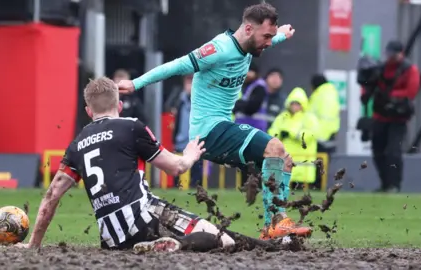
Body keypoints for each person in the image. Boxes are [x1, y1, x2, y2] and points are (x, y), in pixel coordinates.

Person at [16, 77, 293, 252]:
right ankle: (177, 245)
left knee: (216, 233)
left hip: (112, 238)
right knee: (222, 240)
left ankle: (273, 246)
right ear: (120, 104)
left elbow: (51, 196)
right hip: (143, 214)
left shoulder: (76, 144)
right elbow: (176, 168)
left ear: (88, 111)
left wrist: (34, 244)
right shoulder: (131, 127)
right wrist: (192, 153)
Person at [118, 3, 312, 240]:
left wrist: (282, 34)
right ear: (249, 29)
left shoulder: (250, 44)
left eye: (272, 37)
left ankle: (275, 227)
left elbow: (266, 39)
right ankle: (275, 224)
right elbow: (177, 66)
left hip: (220, 128)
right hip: (208, 132)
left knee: (284, 162)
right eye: (267, 36)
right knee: (275, 147)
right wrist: (135, 83)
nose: (269, 42)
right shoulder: (218, 49)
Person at [361, 40, 420, 193]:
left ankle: (394, 185)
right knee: (378, 151)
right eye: (389, 54)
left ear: (401, 54)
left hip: (398, 119)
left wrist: (391, 97)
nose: (391, 57)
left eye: (394, 54)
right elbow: (369, 85)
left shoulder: (410, 70)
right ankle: (385, 184)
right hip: (380, 116)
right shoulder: (381, 68)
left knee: (393, 152)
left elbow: (411, 92)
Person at [268, 87, 319, 187]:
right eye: (293, 103)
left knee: (300, 195)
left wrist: (291, 134)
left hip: (303, 167)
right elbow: (272, 131)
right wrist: (279, 135)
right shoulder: (282, 117)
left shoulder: (309, 118)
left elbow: (311, 134)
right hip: (284, 161)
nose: (295, 106)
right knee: (283, 193)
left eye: (298, 103)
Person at [170, 74, 204, 187]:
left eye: (192, 81)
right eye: (187, 81)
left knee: (196, 170)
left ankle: (196, 188)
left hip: (195, 141)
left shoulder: (200, 98)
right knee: (178, 169)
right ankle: (177, 188)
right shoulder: (178, 98)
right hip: (180, 140)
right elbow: (168, 107)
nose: (189, 85)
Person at [308, 74, 340, 190]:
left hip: (319, 134)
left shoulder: (319, 94)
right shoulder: (332, 93)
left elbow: (313, 115)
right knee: (324, 163)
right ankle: (319, 184)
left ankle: (316, 184)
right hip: (330, 133)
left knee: (317, 162)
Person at [234, 61, 269, 132]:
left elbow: (252, 107)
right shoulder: (246, 86)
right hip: (243, 127)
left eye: (250, 71)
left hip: (254, 127)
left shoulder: (259, 86)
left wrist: (239, 104)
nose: (248, 74)